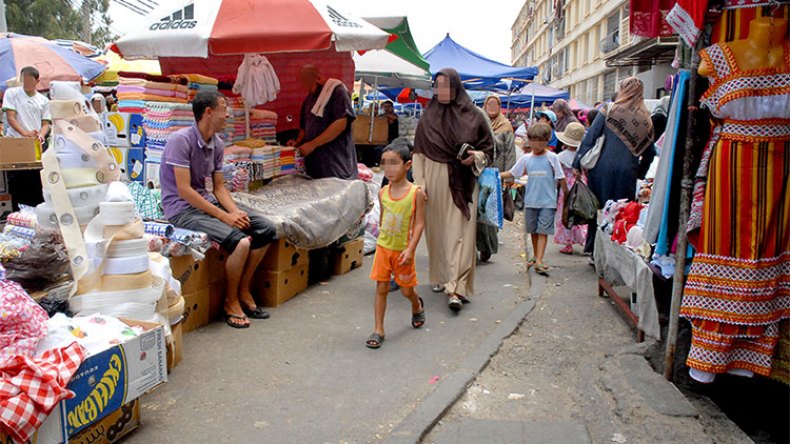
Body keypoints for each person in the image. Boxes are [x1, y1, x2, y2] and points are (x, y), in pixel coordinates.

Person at [160, 91, 278, 329]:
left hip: (204, 203)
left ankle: (244, 289)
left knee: (266, 229)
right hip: (181, 210)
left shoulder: (217, 144)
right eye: (224, 109)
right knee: (241, 242)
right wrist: (225, 217)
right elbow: (184, 191)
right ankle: (230, 301)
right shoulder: (180, 141)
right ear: (208, 112)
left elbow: (220, 187)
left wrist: (235, 213)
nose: (228, 115)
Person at [413, 68, 494, 312]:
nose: (442, 90)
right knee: (438, 232)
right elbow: (419, 153)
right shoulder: (427, 117)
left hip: (463, 181)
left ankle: (456, 288)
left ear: (456, 87)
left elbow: (488, 151)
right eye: (438, 85)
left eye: (447, 85)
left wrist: (476, 157)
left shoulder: (475, 116)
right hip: (433, 180)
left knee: (460, 234)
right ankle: (440, 275)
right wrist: (420, 185)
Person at [573, 77, 655, 256]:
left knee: (598, 210)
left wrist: (577, 163)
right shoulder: (645, 119)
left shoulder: (608, 109)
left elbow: (590, 137)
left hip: (601, 169)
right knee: (620, 214)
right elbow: (649, 152)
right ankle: (613, 253)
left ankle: (593, 250)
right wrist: (639, 172)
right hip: (627, 173)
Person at [366, 144, 426, 349]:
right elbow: (383, 218)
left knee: (406, 290)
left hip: (403, 251)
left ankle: (416, 304)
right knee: (381, 287)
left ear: (408, 165)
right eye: (385, 164)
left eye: (394, 163)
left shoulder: (416, 193)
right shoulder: (383, 193)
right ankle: (378, 329)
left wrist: (410, 250)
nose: (389, 169)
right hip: (384, 248)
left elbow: (419, 223)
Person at [501, 122, 566, 276]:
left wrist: (567, 196)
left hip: (548, 202)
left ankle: (539, 260)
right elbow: (513, 173)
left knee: (543, 231)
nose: (537, 144)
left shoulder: (552, 158)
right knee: (534, 231)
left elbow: (561, 177)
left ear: (547, 140)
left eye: (540, 141)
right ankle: (536, 257)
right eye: (534, 141)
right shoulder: (526, 158)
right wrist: (494, 174)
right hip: (530, 201)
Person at [288, 65, 357, 180]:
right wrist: (297, 143)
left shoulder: (337, 92)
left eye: (309, 85)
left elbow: (341, 123)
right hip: (315, 166)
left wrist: (313, 144)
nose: (307, 89)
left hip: (336, 164)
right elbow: (304, 128)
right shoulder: (309, 100)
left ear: (318, 78)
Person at [1, 67, 50, 209]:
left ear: (37, 81)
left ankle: (36, 213)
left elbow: (46, 124)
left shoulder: (43, 100)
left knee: (36, 180)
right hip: (16, 144)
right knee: (17, 182)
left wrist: (40, 135)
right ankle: (17, 213)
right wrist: (25, 133)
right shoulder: (12, 94)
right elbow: (11, 118)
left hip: (35, 146)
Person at [477, 95, 516, 262]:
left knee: (492, 208)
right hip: (481, 172)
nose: (491, 106)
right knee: (483, 207)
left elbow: (510, 152)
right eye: (489, 104)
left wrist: (508, 176)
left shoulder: (505, 125)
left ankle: (488, 244)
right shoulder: (479, 123)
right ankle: (484, 243)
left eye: (495, 104)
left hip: (498, 173)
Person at [553, 122, 588, 255]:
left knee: (566, 213)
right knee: (581, 213)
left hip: (566, 186)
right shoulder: (583, 155)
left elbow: (558, 174)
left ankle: (568, 243)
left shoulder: (560, 156)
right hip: (581, 184)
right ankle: (584, 240)